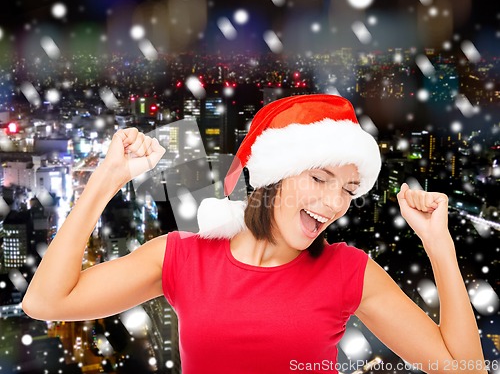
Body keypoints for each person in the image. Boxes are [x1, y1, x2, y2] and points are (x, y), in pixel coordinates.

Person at [22, 94, 487, 374]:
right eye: (319, 179)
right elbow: (45, 303)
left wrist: (438, 244)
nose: (333, 204)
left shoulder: (349, 272)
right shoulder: (185, 257)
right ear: (271, 179)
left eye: (348, 189)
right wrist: (106, 179)